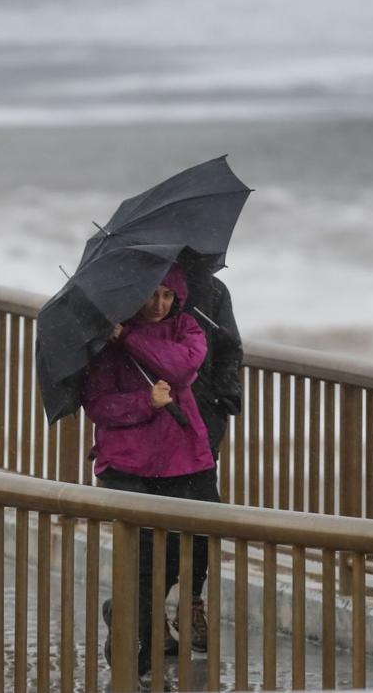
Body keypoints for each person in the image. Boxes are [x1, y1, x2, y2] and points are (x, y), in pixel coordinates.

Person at [81, 264, 217, 678]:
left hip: (185, 459)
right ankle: (133, 657)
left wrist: (131, 338)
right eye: (151, 294)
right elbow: (98, 406)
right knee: (142, 563)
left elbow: (179, 369)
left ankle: (125, 613)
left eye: (167, 296)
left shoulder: (187, 328)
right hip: (130, 465)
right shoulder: (105, 342)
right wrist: (147, 403)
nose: (159, 305)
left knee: (190, 546)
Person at [179, 271, 243, 652]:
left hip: (202, 426)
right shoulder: (138, 290)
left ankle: (191, 603)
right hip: (149, 432)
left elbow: (231, 348)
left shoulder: (212, 291)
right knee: (150, 528)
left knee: (202, 519)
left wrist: (222, 400)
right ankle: (139, 614)